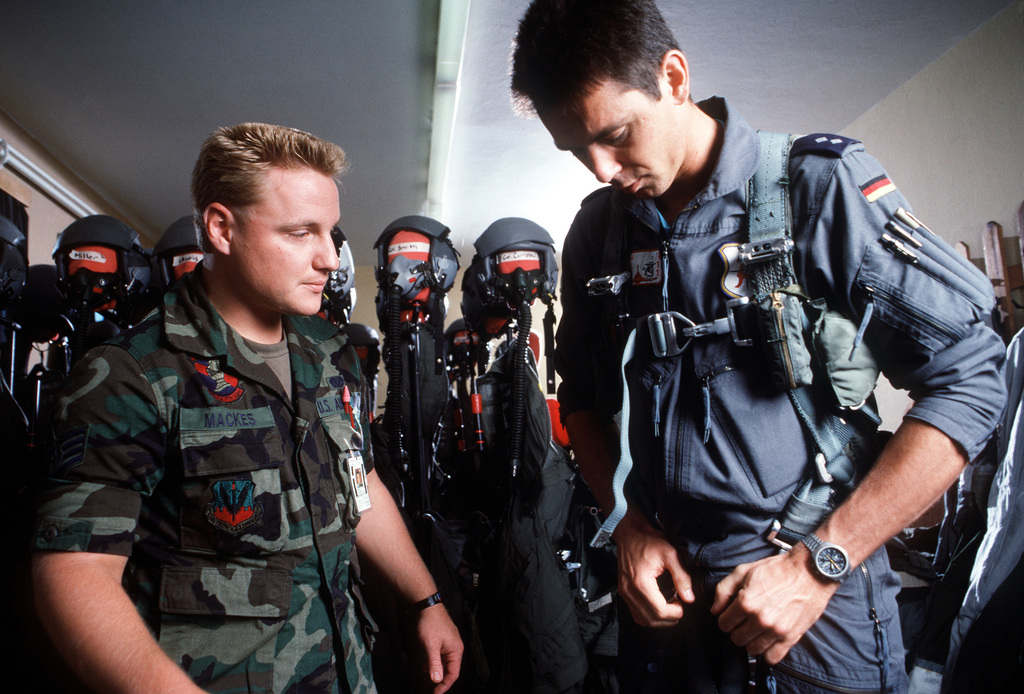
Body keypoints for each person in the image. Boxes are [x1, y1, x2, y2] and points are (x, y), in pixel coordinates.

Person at [510, 1, 1006, 692]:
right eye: (576, 150)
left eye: (617, 134)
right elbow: (586, 404)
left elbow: (974, 377)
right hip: (666, 613)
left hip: (811, 613)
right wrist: (626, 525)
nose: (601, 169)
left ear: (673, 77)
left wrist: (818, 564)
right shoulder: (599, 233)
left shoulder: (815, 187)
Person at [30, 122, 463, 694]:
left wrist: (423, 599)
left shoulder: (330, 352)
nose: (330, 258)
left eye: (330, 232)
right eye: (301, 232)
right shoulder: (132, 374)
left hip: (346, 672)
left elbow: (361, 480)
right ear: (220, 228)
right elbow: (74, 574)